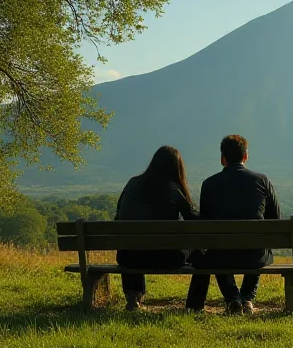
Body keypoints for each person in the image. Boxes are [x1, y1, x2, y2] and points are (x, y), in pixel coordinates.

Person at [185, 134, 281, 315]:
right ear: (245, 157)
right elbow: (275, 219)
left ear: (222, 159)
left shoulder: (209, 184)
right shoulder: (262, 180)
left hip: (221, 255)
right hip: (255, 256)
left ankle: (233, 299)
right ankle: (246, 299)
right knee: (260, 247)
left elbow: (205, 223)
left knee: (217, 250)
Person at [115, 145, 199, 311]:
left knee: (136, 245)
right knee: (197, 246)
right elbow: (192, 219)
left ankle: (133, 296)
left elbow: (118, 216)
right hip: (166, 259)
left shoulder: (133, 183)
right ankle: (195, 303)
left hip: (128, 258)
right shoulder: (173, 189)